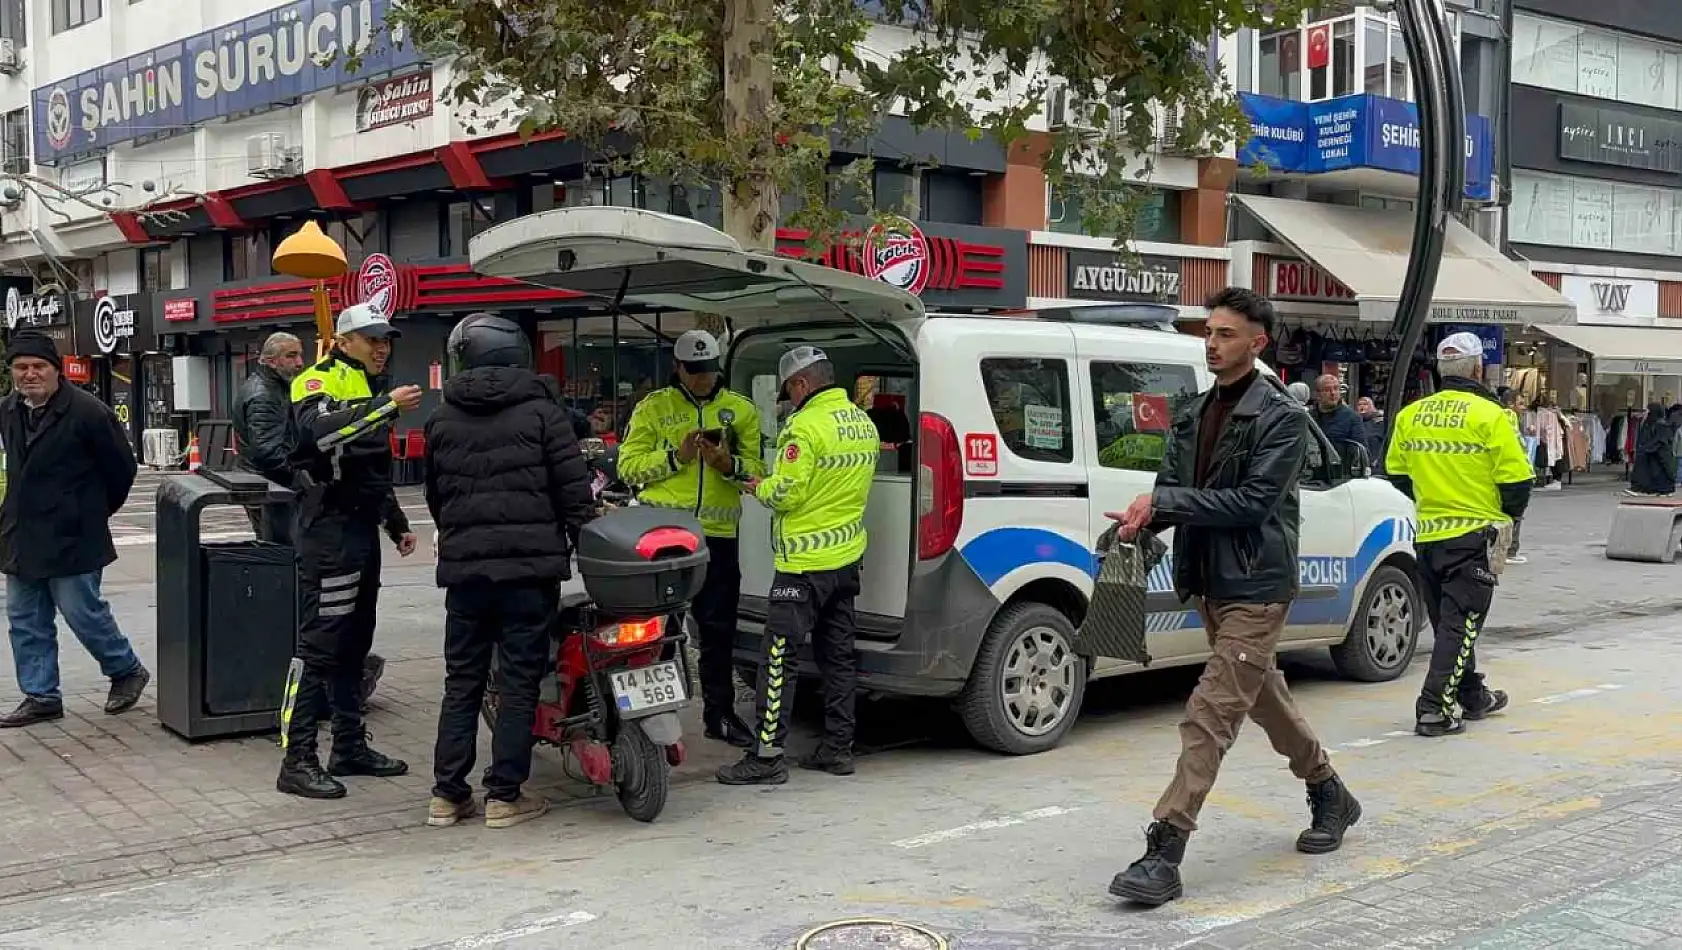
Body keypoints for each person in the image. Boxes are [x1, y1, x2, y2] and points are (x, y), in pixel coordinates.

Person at [1105, 288, 1358, 908]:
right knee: (1261, 697)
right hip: (1208, 584)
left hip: (1258, 587)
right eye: (1209, 333)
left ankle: (1164, 848)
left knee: (1210, 712)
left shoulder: (1283, 418)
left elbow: (1251, 503)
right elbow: (1174, 490)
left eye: (1224, 334)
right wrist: (1141, 521)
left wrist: (1165, 503)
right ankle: (1330, 791)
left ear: (1257, 343)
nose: (1211, 344)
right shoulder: (1191, 412)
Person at [422, 314, 595, 830]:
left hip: (465, 574)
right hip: (529, 571)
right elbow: (573, 493)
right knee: (519, 682)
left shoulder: (441, 419)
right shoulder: (544, 414)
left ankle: (447, 797)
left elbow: (435, 496)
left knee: (463, 682)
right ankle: (503, 796)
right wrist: (581, 537)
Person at [275, 301, 422, 799]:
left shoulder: (374, 388)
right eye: (372, 339)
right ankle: (296, 759)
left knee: (355, 643)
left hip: (359, 531)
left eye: (386, 340)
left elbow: (369, 470)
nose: (382, 348)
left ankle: (348, 746)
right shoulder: (315, 380)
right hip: (327, 532)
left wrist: (395, 522)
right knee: (319, 646)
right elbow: (320, 434)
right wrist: (386, 408)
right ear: (342, 341)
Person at [717, 346, 878, 785]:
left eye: (789, 389)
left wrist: (757, 486)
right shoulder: (862, 423)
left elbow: (786, 493)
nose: (787, 397)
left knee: (777, 658)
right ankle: (838, 748)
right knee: (838, 657)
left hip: (803, 566)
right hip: (846, 560)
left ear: (802, 384)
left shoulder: (803, 428)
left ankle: (767, 756)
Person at [618, 329, 764, 748]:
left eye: (709, 371)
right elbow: (628, 468)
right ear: (678, 368)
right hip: (663, 538)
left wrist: (726, 463)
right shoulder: (653, 408)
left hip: (717, 538)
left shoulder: (741, 410)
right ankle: (648, 717)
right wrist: (675, 457)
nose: (703, 379)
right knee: (656, 629)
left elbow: (757, 474)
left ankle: (719, 713)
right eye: (695, 372)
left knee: (719, 632)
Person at [1385, 332, 1533, 738]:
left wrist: (1431, 499)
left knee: (1452, 624)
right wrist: (1505, 518)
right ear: (1478, 369)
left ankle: (1473, 695)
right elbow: (1518, 482)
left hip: (1428, 535)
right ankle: (1433, 709)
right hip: (1474, 536)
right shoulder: (1493, 416)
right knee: (1460, 625)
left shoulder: (1410, 415)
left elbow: (1397, 473)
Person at [0, 331, 150, 728]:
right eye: (21, 368)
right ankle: (41, 695)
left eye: (38, 367)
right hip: (22, 535)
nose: (30, 374)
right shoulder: (9, 410)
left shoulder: (88, 412)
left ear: (56, 370)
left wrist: (93, 513)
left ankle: (125, 669)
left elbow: (122, 470)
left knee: (82, 611)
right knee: (24, 618)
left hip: (73, 535)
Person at [1628, 402, 1677, 497]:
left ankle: (1662, 489)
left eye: (1648, 410)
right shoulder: (1649, 424)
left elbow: (1661, 443)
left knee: (1659, 472)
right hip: (1652, 457)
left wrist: (1646, 448)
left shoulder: (1661, 425)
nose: (1646, 412)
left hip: (1658, 458)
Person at [1311, 374, 1365, 447]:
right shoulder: (1309, 417)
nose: (1333, 393)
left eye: (1336, 388)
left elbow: (1361, 451)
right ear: (1317, 394)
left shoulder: (1352, 418)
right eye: (1327, 390)